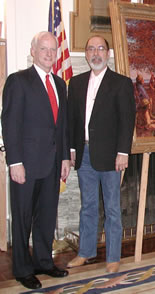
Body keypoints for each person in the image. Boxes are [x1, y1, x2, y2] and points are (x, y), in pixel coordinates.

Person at [1, 31, 70, 290]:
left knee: (46, 216)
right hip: (26, 166)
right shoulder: (18, 81)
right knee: (22, 217)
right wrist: (14, 162)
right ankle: (22, 268)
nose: (50, 54)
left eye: (53, 49)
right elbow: (10, 123)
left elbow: (61, 127)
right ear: (33, 51)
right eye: (44, 49)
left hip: (53, 164)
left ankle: (43, 261)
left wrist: (65, 157)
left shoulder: (60, 84)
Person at [67, 35, 136, 273]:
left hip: (111, 156)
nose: (95, 53)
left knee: (113, 207)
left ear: (108, 53)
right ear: (86, 54)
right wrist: (73, 149)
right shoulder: (75, 84)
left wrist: (123, 153)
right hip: (84, 154)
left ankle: (113, 256)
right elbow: (72, 121)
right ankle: (85, 252)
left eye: (100, 49)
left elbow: (128, 121)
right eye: (91, 49)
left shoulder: (121, 83)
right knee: (87, 206)